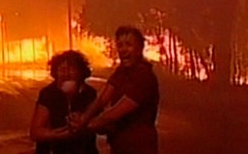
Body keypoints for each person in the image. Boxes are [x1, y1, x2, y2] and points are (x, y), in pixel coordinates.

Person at [69, 26, 159, 154]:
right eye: (120, 45)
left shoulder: (144, 77)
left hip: (140, 147)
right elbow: (102, 98)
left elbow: (115, 113)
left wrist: (85, 125)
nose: (123, 50)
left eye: (128, 45)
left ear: (140, 48)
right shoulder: (122, 71)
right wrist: (84, 118)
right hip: (119, 145)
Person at [30, 50, 99, 154]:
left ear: (81, 72)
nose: (66, 74)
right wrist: (59, 134)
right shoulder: (48, 93)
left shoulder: (89, 93)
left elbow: (102, 125)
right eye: (62, 70)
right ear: (55, 73)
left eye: (71, 70)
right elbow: (35, 133)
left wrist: (84, 123)